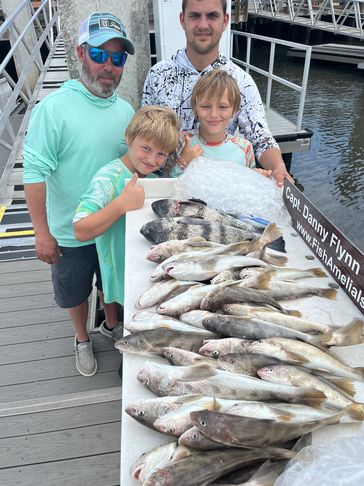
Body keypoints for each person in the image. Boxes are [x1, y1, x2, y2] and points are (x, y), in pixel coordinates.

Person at [23, 12, 135, 377]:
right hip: (68, 233)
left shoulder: (126, 111)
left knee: (110, 284)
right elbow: (35, 173)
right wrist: (42, 233)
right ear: (81, 53)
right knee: (74, 292)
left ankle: (110, 324)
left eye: (118, 58)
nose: (109, 66)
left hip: (112, 226)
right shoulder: (52, 109)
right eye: (100, 54)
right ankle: (81, 338)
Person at [142, 0, 292, 186]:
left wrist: (278, 168)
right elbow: (145, 137)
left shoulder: (241, 81)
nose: (203, 25)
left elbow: (261, 138)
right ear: (182, 20)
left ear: (225, 20)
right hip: (166, 189)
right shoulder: (158, 75)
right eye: (195, 16)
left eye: (212, 16)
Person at [72, 106, 179, 320]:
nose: (151, 159)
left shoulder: (154, 179)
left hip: (146, 270)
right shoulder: (108, 178)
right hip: (122, 275)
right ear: (129, 138)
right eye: (146, 148)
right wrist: (120, 204)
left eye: (161, 154)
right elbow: (80, 229)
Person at [162, 69, 272, 178]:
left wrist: (258, 177)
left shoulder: (244, 148)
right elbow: (168, 185)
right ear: (195, 108)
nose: (214, 114)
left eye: (223, 107)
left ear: (234, 110)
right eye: (205, 106)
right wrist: (183, 162)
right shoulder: (181, 141)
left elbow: (248, 187)